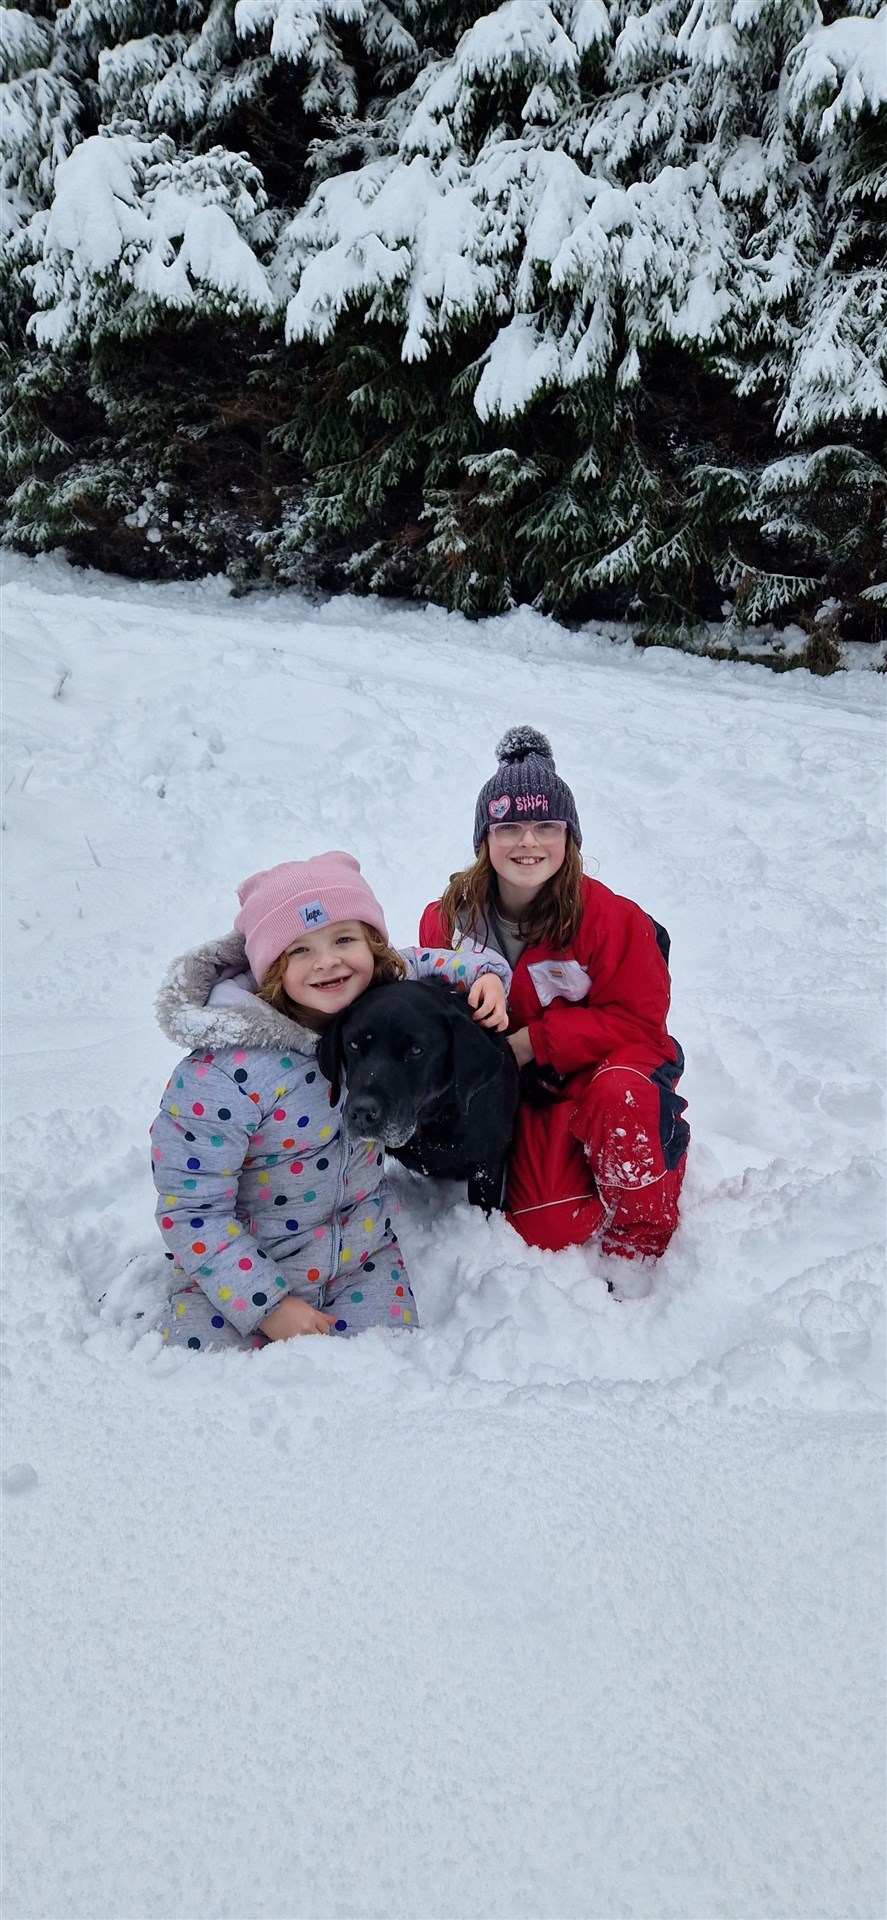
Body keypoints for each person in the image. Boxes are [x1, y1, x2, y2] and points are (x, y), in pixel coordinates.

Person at [151, 852, 510, 1350]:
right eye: (299, 950)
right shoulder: (221, 1075)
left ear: (374, 952)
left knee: (389, 1382)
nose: (327, 961)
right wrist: (268, 1307)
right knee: (206, 1397)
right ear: (271, 969)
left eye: (344, 939)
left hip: (361, 1264)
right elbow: (191, 1211)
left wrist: (485, 975)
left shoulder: (366, 1012)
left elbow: (423, 961)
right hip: (237, 1277)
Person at [418, 729, 689, 1266]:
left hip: (608, 1067)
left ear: (569, 837)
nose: (528, 842)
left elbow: (642, 1023)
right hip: (527, 1088)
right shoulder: (447, 920)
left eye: (546, 826)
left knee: (621, 1096)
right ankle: (582, 1154)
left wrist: (533, 1041)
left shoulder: (611, 919)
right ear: (484, 838)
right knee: (549, 1225)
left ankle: (649, 1190)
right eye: (509, 827)